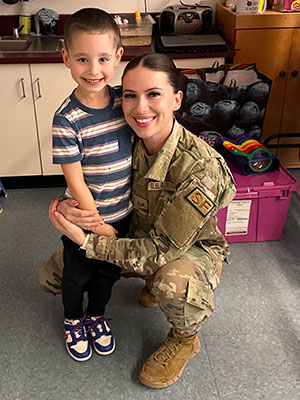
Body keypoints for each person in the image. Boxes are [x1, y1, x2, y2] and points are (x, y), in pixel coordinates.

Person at [44, 53, 236, 387]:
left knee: (172, 283)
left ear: (177, 99)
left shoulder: (202, 169)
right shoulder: (127, 136)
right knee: (53, 276)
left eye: (154, 94)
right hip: (130, 231)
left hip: (183, 250)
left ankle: (185, 337)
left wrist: (89, 241)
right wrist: (69, 205)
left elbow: (159, 250)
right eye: (130, 96)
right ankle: (146, 282)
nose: (140, 108)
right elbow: (89, 179)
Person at [51, 8, 134, 362]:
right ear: (66, 57)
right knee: (77, 275)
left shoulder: (124, 103)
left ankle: (96, 316)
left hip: (123, 215)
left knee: (107, 275)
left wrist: (115, 225)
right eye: (82, 59)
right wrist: (98, 226)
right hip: (85, 220)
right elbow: (76, 180)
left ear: (118, 57)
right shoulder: (66, 119)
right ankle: (73, 319)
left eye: (103, 58)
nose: (94, 69)